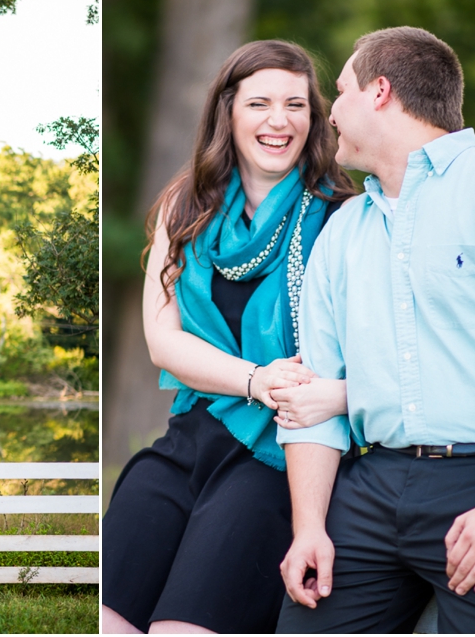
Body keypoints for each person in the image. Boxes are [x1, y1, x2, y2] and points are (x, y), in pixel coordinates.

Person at [275, 26, 475, 634]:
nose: (329, 112)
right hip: (369, 487)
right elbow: (313, 401)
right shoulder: (342, 232)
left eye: (337, 92)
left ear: (379, 91)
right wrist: (310, 528)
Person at [102, 40, 359, 635]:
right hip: (190, 437)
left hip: (279, 456)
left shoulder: (343, 216)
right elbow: (162, 343)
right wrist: (255, 379)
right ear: (228, 112)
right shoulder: (183, 205)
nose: (279, 120)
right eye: (260, 102)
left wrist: (287, 393)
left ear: (315, 119)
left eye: (297, 104)